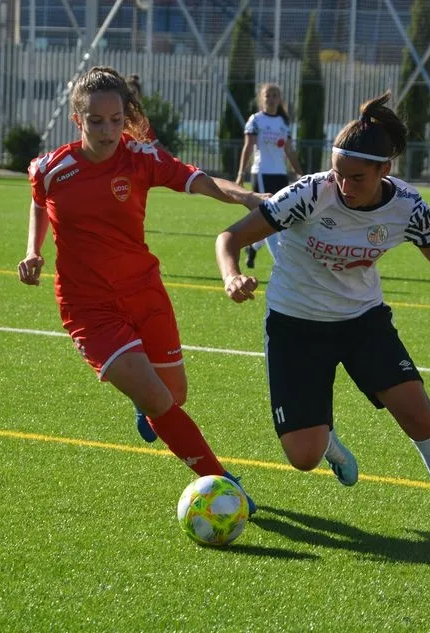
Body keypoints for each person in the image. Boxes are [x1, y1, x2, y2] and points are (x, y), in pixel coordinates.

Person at [215, 91, 430, 545]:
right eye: (338, 173)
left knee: (420, 417)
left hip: (363, 322)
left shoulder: (407, 206)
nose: (343, 185)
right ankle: (328, 442)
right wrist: (231, 276)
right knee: (303, 456)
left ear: (386, 170)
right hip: (295, 325)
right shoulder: (309, 193)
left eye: (357, 177)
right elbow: (231, 237)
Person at [19, 66, 265, 513]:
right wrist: (34, 251)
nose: (109, 129)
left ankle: (145, 404)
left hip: (145, 292)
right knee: (157, 398)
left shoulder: (141, 158)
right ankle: (223, 480)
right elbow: (39, 202)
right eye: (96, 121)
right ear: (78, 120)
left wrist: (247, 197)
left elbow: (200, 180)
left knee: (173, 398)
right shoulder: (52, 168)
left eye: (116, 119)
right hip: (88, 307)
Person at [234, 83, 303, 269]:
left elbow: (289, 149)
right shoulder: (256, 120)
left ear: (280, 99)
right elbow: (248, 147)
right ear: (261, 99)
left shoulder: (283, 122)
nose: (271, 99)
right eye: (268, 95)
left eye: (275, 95)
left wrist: (299, 172)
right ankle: (280, 264)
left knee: (282, 218)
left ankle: (253, 247)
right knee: (271, 219)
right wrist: (241, 174)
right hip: (262, 174)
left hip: (280, 175)